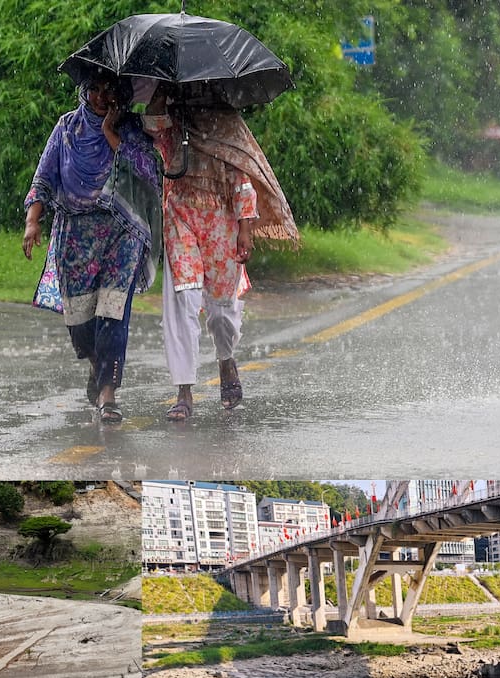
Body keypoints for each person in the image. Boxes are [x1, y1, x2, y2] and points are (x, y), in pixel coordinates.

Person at [142, 87, 298, 421]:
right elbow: (151, 127)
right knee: (183, 298)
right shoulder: (173, 116)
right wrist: (161, 94)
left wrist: (245, 229)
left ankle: (226, 360)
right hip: (181, 216)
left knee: (222, 310)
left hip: (221, 221)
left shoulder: (227, 122)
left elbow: (242, 179)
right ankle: (184, 390)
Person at [23, 70, 161, 424]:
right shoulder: (67, 127)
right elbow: (44, 178)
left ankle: (108, 393)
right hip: (76, 235)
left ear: (121, 94)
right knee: (80, 321)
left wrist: (111, 133)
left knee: (113, 312)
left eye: (109, 90)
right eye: (94, 89)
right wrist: (32, 221)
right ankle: (96, 365)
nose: (101, 97)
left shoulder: (132, 129)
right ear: (84, 91)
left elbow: (147, 173)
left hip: (122, 232)